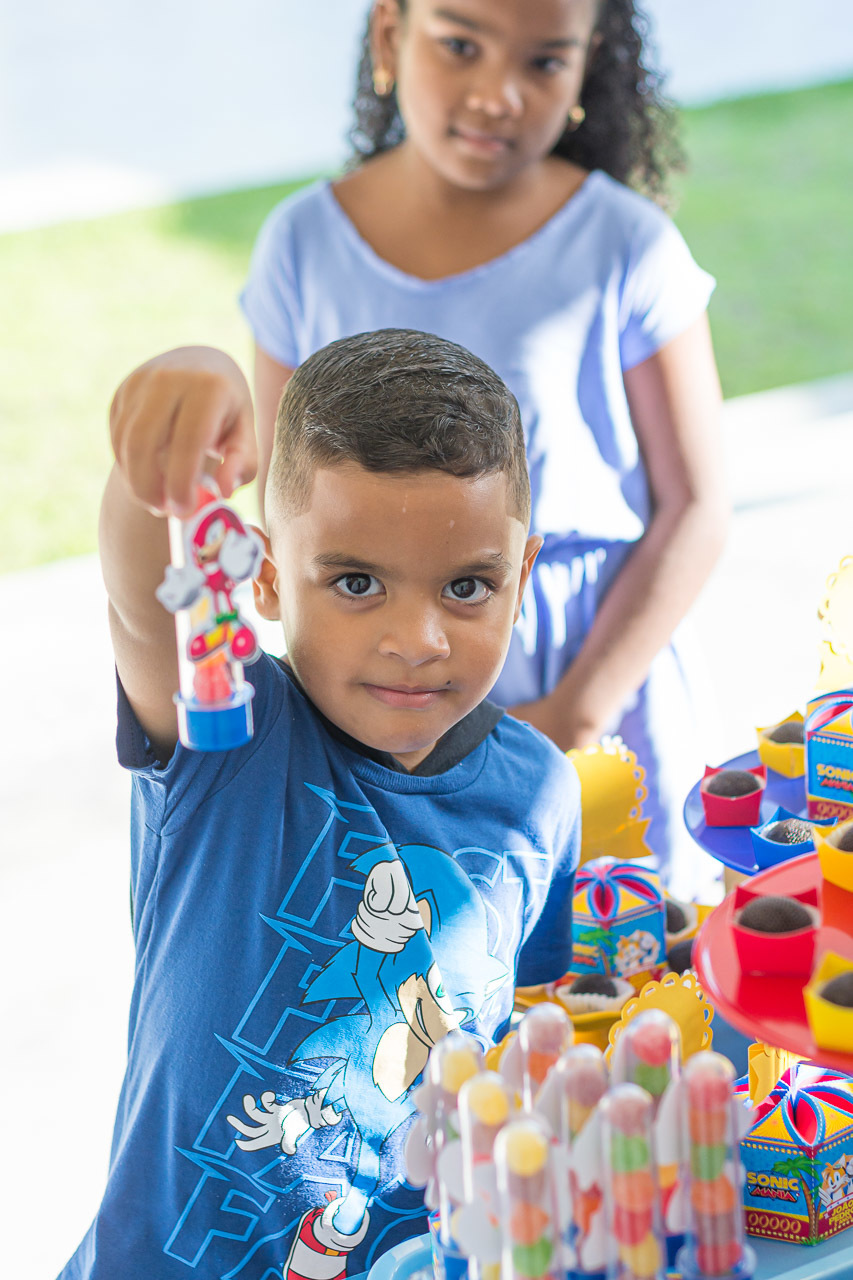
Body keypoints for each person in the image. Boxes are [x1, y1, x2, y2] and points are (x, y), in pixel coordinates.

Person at [116, 0, 727, 896]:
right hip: (366, 720)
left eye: (543, 63)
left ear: (585, 67)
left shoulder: (628, 246)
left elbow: (697, 506)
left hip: (592, 685)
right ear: (388, 38)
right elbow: (281, 509)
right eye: (460, 45)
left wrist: (573, 714)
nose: (497, 95)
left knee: (607, 970)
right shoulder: (303, 244)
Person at [60, 329, 580, 1280]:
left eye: (468, 586)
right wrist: (182, 433)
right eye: (354, 582)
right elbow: (145, 600)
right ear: (259, 574)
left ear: (524, 573)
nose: (415, 639)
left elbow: (533, 1041)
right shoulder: (232, 733)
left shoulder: (542, 793)